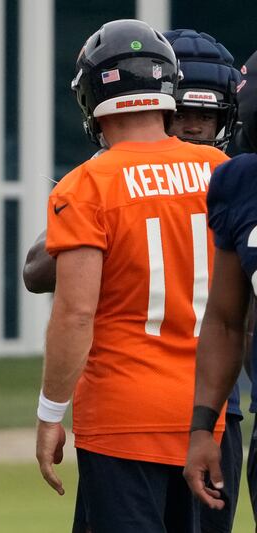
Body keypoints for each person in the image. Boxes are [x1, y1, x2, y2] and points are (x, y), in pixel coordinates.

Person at [26, 28, 243, 532]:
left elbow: (75, 313)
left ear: (91, 96)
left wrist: (50, 412)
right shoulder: (220, 169)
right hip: (210, 413)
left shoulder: (88, 184)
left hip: (124, 414)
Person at [184, 48, 257, 525]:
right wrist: (202, 428)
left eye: (204, 116)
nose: (192, 127)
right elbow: (227, 321)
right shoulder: (239, 181)